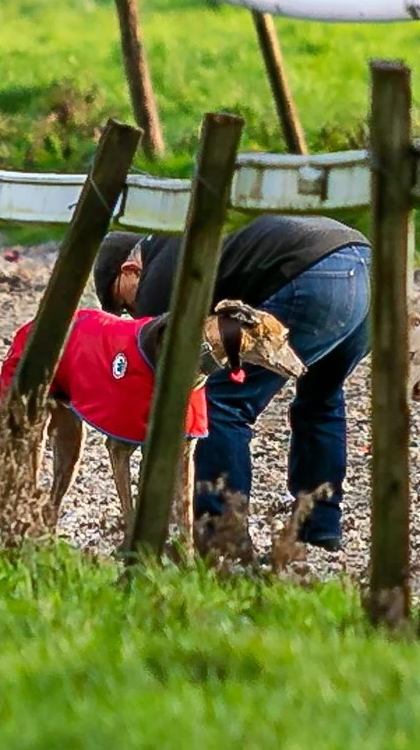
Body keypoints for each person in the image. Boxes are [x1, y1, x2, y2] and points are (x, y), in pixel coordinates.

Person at [93, 214, 369, 548]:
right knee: (322, 398)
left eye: (123, 302)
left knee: (219, 405)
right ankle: (319, 527)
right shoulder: (178, 237)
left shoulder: (156, 277)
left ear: (130, 270)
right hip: (366, 269)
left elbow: (160, 380)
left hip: (313, 276)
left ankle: (222, 536)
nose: (130, 313)